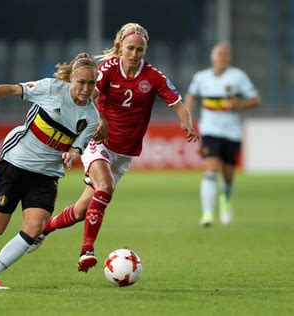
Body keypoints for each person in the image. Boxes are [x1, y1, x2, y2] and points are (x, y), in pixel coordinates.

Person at [27, 23, 199, 272]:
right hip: (99, 144)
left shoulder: (153, 76)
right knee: (105, 187)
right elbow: (88, 97)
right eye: (130, 48)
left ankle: (44, 230)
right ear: (121, 47)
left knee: (80, 211)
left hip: (125, 153)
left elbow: (177, 103)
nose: (134, 54)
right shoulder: (107, 69)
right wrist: (100, 119)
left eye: (140, 50)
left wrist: (186, 121)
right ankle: (87, 250)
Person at [0, 53, 99, 289]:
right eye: (81, 82)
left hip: (46, 174)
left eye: (91, 83)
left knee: (35, 226)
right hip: (16, 162)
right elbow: (13, 89)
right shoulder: (51, 89)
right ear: (70, 79)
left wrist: (72, 154)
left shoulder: (91, 116)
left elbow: (77, 147)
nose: (85, 88)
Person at [184, 42, 260, 227]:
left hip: (232, 132)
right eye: (219, 55)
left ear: (229, 59)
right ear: (212, 57)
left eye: (226, 55)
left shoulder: (238, 77)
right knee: (210, 169)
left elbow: (255, 99)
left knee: (227, 174)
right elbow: (191, 95)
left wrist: (239, 105)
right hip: (210, 130)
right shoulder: (201, 77)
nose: (222, 58)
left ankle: (225, 199)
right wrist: (187, 118)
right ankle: (208, 213)